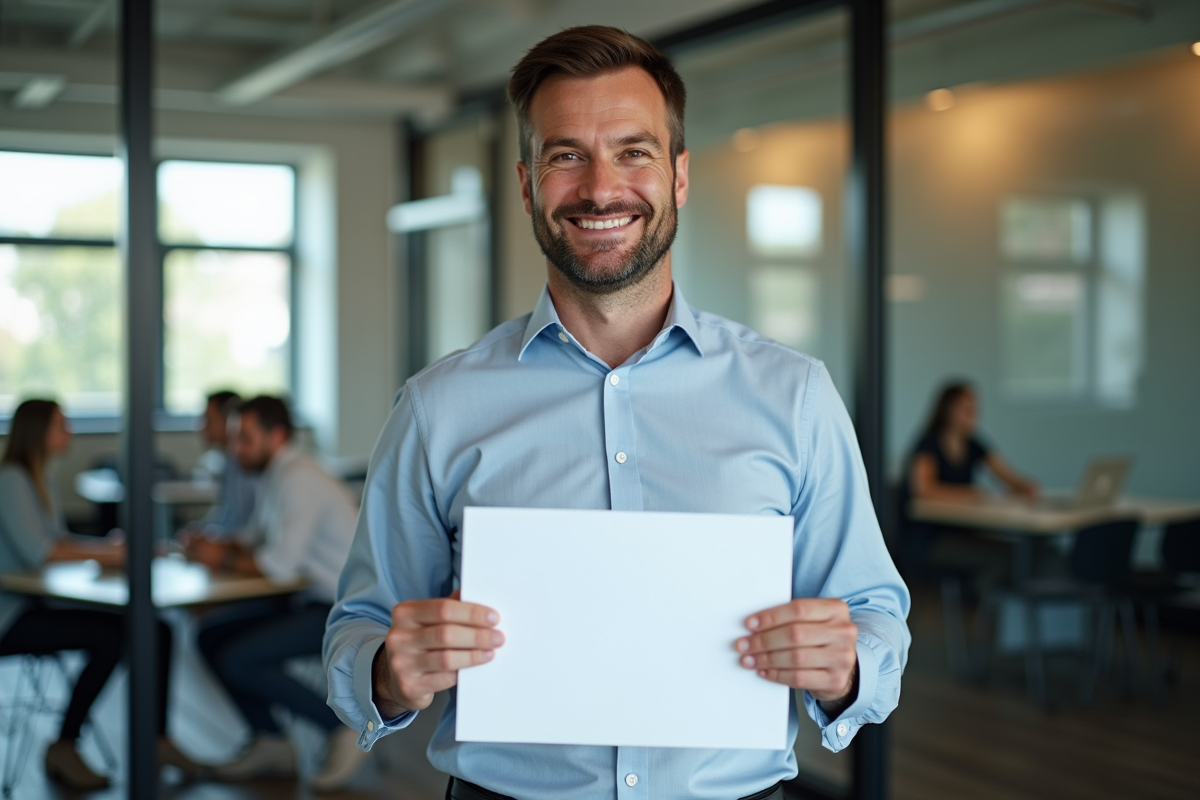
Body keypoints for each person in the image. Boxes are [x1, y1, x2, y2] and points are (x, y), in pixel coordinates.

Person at [324, 26, 910, 800]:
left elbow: (875, 613)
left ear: (680, 175)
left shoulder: (794, 396)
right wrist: (388, 674)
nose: (601, 188)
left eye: (633, 151)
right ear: (529, 184)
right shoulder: (438, 407)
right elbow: (357, 629)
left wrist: (848, 668)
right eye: (567, 155)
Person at [0, 399, 199, 790]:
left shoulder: (39, 478)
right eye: (62, 424)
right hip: (11, 618)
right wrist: (112, 553)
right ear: (38, 431)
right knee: (109, 636)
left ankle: (156, 741)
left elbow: (56, 543)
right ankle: (65, 744)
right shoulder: (12, 480)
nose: (70, 432)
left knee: (157, 630)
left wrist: (106, 549)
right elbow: (42, 552)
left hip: (37, 604)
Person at [182, 395, 363, 791]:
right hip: (306, 599)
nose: (234, 449)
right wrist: (215, 544)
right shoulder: (279, 473)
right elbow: (255, 539)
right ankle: (271, 741)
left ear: (276, 435)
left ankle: (342, 728)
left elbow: (277, 567)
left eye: (244, 439)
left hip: (343, 610)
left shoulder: (299, 478)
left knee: (237, 658)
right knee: (209, 636)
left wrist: (220, 558)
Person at [909, 381, 1038, 504]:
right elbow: (924, 489)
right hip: (931, 522)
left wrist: (1022, 486)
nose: (973, 415)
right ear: (948, 411)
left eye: (974, 409)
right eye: (967, 410)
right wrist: (971, 494)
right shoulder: (929, 443)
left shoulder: (973, 444)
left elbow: (1006, 476)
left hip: (961, 519)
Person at [184, 390, 259, 537]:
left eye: (209, 420)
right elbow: (226, 517)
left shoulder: (249, 463)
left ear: (229, 420)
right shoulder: (228, 462)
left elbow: (244, 526)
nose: (202, 427)